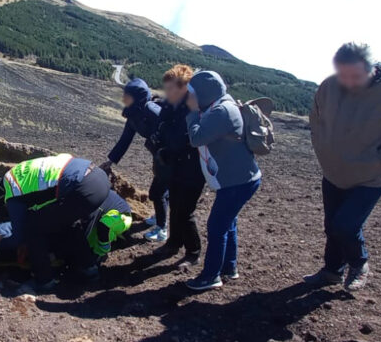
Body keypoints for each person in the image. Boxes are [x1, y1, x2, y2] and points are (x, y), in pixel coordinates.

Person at [304, 42, 381, 291]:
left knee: (345, 225)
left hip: (370, 176)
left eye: (354, 75)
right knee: (331, 226)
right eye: (342, 74)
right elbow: (316, 117)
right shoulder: (329, 86)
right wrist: (323, 148)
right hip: (334, 172)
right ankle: (332, 272)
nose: (347, 82)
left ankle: (360, 263)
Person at [0, 153, 117, 291]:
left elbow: (19, 237)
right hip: (98, 176)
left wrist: (0, 240)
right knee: (64, 222)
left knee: (33, 229)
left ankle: (45, 282)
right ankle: (89, 268)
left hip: (82, 187)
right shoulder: (17, 173)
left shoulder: (12, 193)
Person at [184, 71, 262, 291]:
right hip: (241, 179)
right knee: (228, 223)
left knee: (217, 227)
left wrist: (190, 112)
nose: (190, 97)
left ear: (204, 93)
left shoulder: (221, 111)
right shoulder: (221, 105)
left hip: (237, 182)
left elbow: (196, 138)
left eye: (193, 93)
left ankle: (211, 276)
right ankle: (229, 267)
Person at [149, 64, 206, 268]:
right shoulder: (172, 106)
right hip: (177, 165)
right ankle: (174, 243)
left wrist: (165, 140)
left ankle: (193, 252)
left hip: (193, 167)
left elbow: (184, 137)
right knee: (175, 205)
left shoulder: (192, 106)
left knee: (185, 210)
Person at [103, 79, 166, 242]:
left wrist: (158, 141)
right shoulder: (133, 115)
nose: (124, 99)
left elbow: (169, 127)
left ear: (138, 97)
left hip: (169, 156)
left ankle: (162, 229)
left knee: (157, 192)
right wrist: (110, 161)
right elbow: (125, 140)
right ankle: (159, 218)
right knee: (160, 191)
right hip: (158, 155)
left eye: (127, 96)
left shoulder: (150, 109)